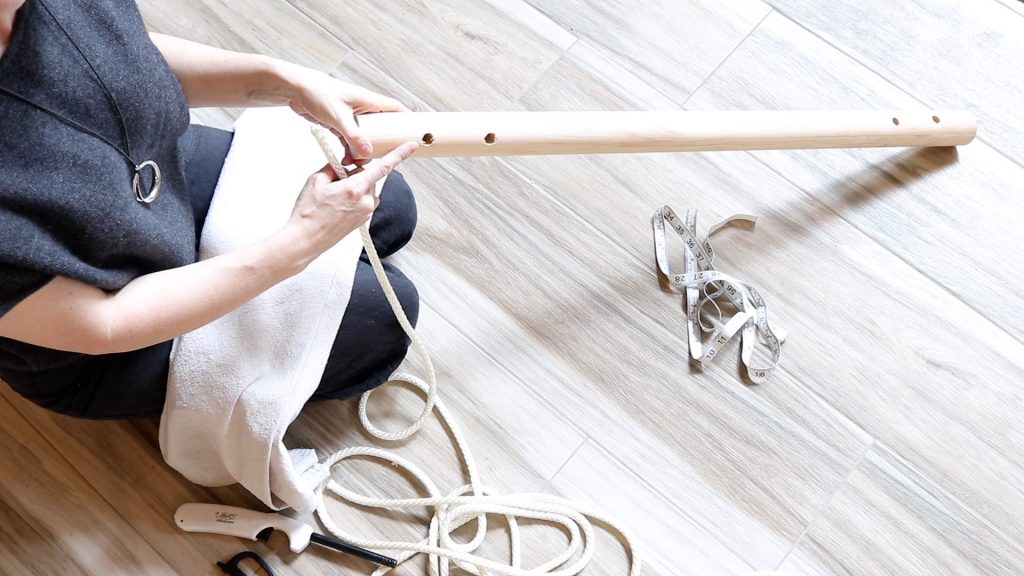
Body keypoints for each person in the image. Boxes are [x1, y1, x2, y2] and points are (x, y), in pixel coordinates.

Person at [0, 0, 421, 418]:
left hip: (152, 175)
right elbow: (105, 323)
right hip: (97, 341)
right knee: (381, 317)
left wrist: (285, 82)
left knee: (390, 205)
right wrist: (301, 241)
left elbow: (123, 52)